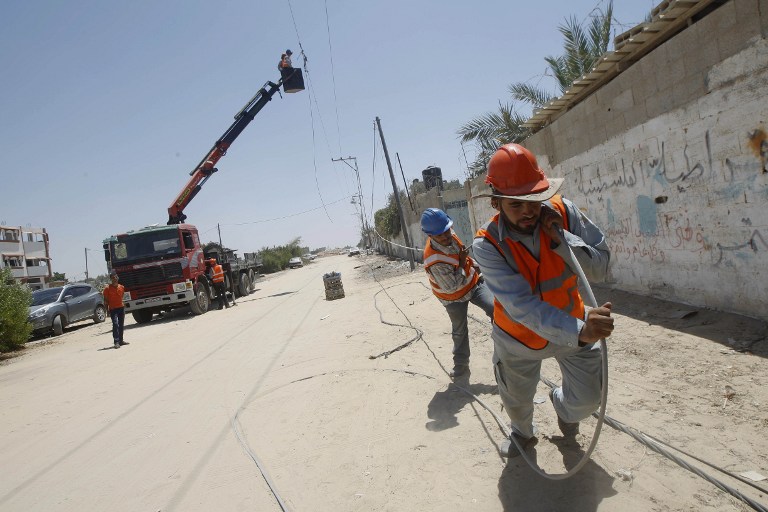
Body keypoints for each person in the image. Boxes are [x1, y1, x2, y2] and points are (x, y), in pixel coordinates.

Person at [472, 143, 614, 456]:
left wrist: (563, 241)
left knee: (589, 400)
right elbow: (521, 307)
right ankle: (522, 434)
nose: (528, 211)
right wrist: (581, 331)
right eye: (516, 204)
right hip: (519, 340)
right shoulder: (487, 245)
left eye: (534, 200)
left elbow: (601, 267)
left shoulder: (564, 213)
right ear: (496, 203)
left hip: (573, 329)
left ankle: (563, 409)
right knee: (517, 402)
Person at [421, 208, 495, 378]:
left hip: (472, 284)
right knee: (459, 330)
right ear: (430, 235)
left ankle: (507, 350)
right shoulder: (433, 260)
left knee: (495, 308)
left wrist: (473, 264)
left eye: (447, 230)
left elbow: (462, 255)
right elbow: (452, 287)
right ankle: (461, 366)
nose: (447, 236)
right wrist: (462, 263)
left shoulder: (448, 233)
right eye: (441, 235)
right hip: (452, 296)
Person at [103, 270, 128, 349]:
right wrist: (106, 311)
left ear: (118, 278)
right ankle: (116, 342)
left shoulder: (122, 287)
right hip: (113, 309)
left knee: (121, 325)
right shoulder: (107, 289)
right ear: (111, 279)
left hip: (121, 308)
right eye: (113, 278)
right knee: (115, 324)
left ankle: (121, 340)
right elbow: (106, 300)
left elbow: (122, 297)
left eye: (116, 277)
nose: (115, 279)